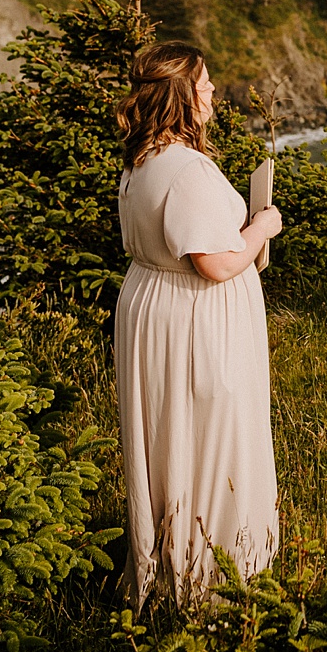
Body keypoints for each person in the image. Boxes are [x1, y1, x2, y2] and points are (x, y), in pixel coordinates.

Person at [113, 42, 285, 604]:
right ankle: (212, 575)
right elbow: (214, 263)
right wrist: (262, 227)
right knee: (211, 432)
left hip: (150, 307)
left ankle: (168, 558)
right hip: (194, 318)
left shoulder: (141, 162)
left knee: (167, 436)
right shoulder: (187, 170)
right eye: (204, 83)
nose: (212, 91)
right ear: (179, 96)